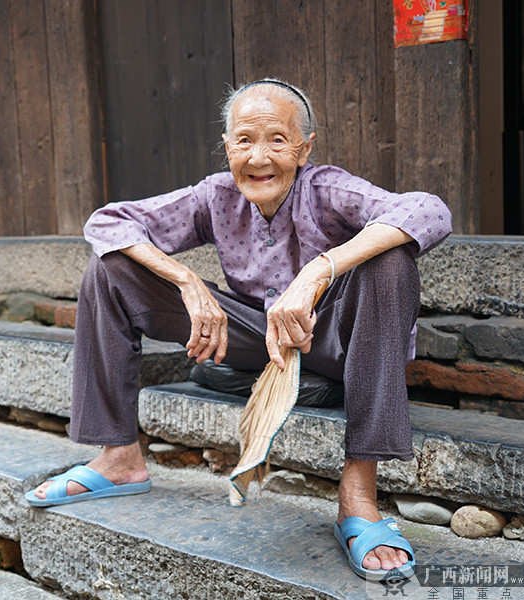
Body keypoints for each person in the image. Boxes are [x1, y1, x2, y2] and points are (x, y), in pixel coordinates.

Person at [26, 79, 452, 581]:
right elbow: (107, 222)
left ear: (304, 148)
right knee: (108, 269)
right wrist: (186, 280)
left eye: (277, 139)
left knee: (391, 260)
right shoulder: (217, 196)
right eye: (244, 140)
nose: (259, 156)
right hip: (257, 340)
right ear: (227, 146)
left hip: (338, 338)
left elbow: (429, 209)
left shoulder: (327, 189)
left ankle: (358, 495)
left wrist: (319, 271)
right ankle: (118, 457)